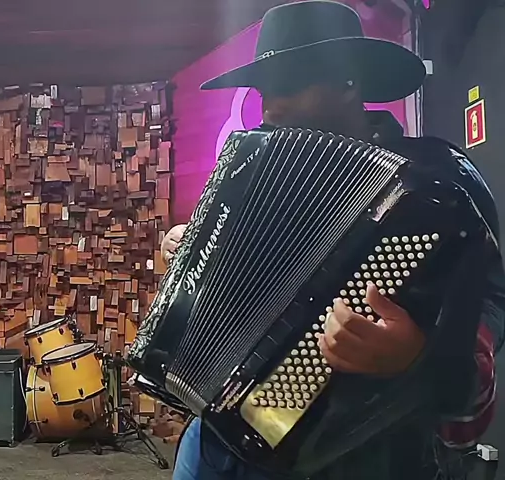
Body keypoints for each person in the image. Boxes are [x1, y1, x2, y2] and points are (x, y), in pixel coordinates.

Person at [161, 2, 505, 479]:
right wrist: (191, 252)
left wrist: (417, 357)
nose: (272, 107)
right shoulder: (250, 169)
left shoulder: (436, 185)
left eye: (290, 85)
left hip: (358, 454)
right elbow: (225, 273)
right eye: (264, 90)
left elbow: (489, 307)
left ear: (349, 83)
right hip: (214, 441)